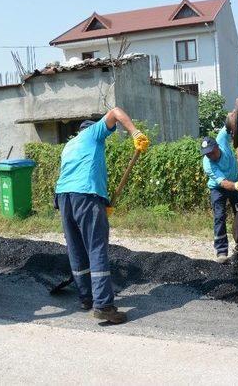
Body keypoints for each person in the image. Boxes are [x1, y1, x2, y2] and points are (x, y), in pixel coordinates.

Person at [55, 108, 149, 324]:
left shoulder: (69, 146)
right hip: (85, 194)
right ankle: (104, 306)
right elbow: (115, 112)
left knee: (76, 248)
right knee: (96, 247)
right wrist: (135, 133)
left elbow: (81, 172)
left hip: (65, 197)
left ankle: (86, 298)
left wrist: (101, 201)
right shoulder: (92, 134)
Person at [201, 126, 238, 263]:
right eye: (207, 154)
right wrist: (236, 185)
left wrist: (234, 121)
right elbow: (224, 183)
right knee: (219, 216)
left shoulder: (221, 139)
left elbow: (228, 124)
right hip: (218, 189)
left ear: (217, 146)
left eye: (211, 152)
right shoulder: (208, 164)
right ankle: (221, 252)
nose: (210, 156)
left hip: (235, 184)